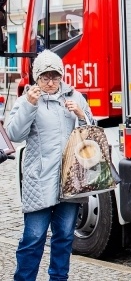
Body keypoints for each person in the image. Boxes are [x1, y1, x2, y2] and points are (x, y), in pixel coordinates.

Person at [6, 50, 96, 281]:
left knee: (65, 236)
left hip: (71, 181)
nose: (50, 82)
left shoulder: (75, 97)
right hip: (40, 180)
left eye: (55, 76)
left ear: (61, 76)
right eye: (45, 77)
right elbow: (14, 134)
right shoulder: (28, 98)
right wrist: (29, 105)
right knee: (33, 238)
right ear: (37, 77)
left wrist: (81, 115)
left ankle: (59, 278)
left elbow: (93, 132)